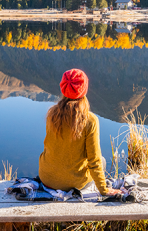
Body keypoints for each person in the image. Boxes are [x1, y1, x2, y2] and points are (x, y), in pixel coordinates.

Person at [39, 69, 120, 197]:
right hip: (74, 182)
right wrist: (104, 189)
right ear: (83, 89)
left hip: (46, 178)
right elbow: (94, 160)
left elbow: (48, 145)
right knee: (102, 161)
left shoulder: (52, 114)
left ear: (63, 88)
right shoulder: (90, 120)